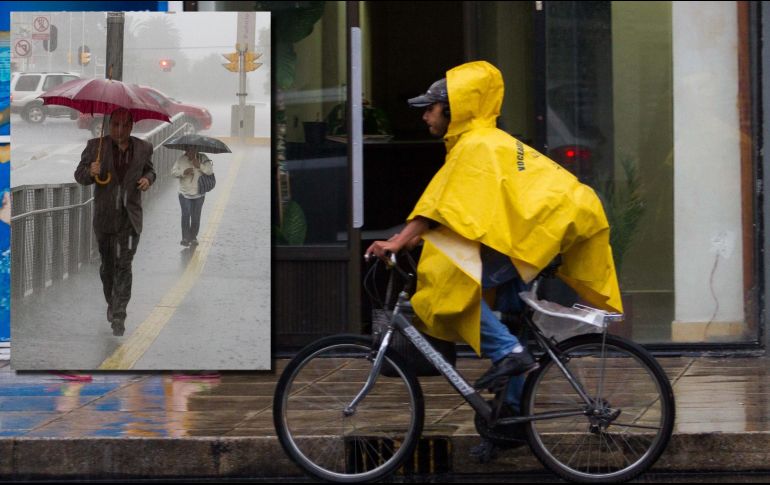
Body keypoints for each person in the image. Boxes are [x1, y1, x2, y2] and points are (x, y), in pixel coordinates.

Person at [365, 61, 623, 416]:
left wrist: (399, 241)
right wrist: (410, 238)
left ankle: (508, 354)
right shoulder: (486, 141)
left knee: (443, 284)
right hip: (552, 225)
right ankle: (512, 414)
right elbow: (465, 210)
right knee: (513, 319)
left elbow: (438, 206)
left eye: (431, 108)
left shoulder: (476, 145)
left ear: (453, 109)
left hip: (549, 227)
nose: (425, 116)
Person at [75, 108, 155, 337]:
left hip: (130, 220)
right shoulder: (94, 147)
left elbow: (151, 170)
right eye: (115, 125)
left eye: (124, 125)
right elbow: (79, 176)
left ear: (131, 126)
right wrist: (90, 171)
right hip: (105, 219)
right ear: (109, 125)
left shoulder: (143, 148)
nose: (119, 130)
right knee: (108, 268)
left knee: (124, 266)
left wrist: (147, 179)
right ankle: (112, 301)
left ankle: (119, 315)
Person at [171, 148, 213, 247]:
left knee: (195, 217)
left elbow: (210, 171)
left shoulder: (203, 158)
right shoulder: (181, 159)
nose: (191, 153)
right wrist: (184, 172)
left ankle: (193, 237)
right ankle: (185, 238)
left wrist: (200, 166)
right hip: (184, 193)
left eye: (193, 150)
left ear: (196, 150)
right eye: (189, 151)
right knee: (186, 215)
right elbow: (173, 172)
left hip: (199, 194)